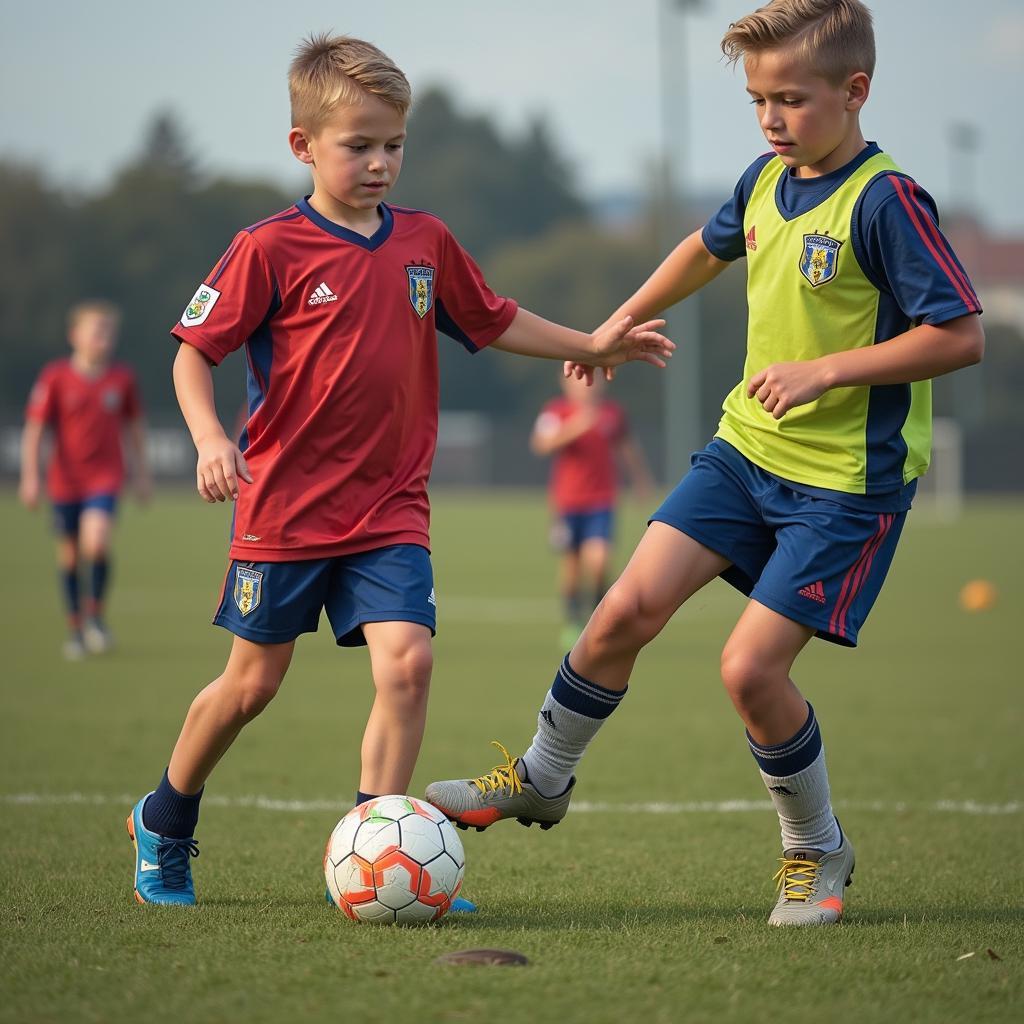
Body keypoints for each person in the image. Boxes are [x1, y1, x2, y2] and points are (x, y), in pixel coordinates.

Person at [425, 0, 984, 927]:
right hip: (743, 453)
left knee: (748, 672)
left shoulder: (888, 201)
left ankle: (817, 852)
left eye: (792, 100)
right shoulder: (768, 177)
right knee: (621, 614)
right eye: (759, 99)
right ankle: (540, 777)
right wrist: (611, 327)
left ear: (856, 93)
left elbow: (959, 335)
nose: (771, 118)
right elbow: (704, 248)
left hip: (845, 485)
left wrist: (826, 371)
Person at [125, 33, 673, 907]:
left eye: (394, 145)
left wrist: (591, 342)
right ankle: (165, 817)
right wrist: (207, 439)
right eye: (359, 146)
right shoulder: (267, 247)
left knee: (407, 665)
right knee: (251, 686)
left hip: (391, 508)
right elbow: (194, 353)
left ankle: (379, 847)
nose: (381, 163)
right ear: (304, 145)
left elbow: (492, 318)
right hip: (286, 509)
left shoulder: (425, 240)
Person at [20, 300, 150, 659]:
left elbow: (134, 427)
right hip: (65, 481)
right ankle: (76, 628)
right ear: (74, 335)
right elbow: (36, 429)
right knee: (69, 556)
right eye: (97, 330)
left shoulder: (122, 378)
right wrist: (31, 476)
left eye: (108, 331)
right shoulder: (55, 377)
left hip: (104, 478)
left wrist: (141, 474)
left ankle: (95, 617)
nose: (103, 338)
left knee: (97, 542)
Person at [531, 372, 653, 648]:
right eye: (580, 380)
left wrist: (640, 480)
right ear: (566, 383)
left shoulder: (613, 413)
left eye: (593, 379)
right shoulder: (556, 411)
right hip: (566, 503)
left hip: (602, 501)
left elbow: (626, 447)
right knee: (572, 568)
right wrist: (577, 426)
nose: (587, 385)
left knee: (598, 562)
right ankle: (573, 622)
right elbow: (542, 444)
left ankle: (600, 619)